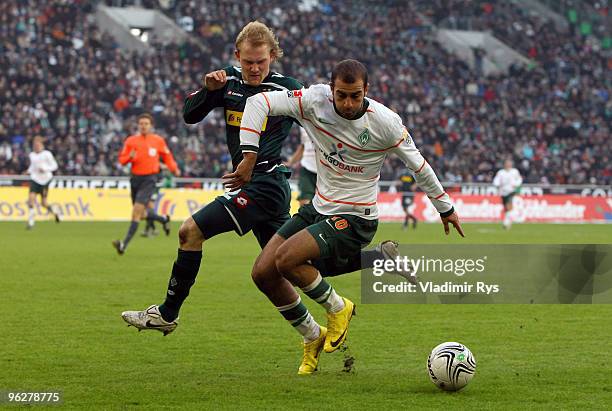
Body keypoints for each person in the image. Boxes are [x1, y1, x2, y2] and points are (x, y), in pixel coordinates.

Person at [120, 24, 405, 338]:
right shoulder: (226, 82)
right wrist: (207, 91)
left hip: (265, 184)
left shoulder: (287, 89)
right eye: (248, 62)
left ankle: (166, 313)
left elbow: (332, 116)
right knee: (286, 269)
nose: (254, 68)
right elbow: (189, 115)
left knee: (190, 231)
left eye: (261, 62)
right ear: (237, 56)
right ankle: (321, 327)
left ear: (273, 56)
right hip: (257, 188)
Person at [224, 59, 465, 374]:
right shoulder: (313, 101)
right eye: (341, 95)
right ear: (331, 90)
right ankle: (312, 335)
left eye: (355, 95)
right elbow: (258, 102)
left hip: (357, 217)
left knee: (287, 261)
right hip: (319, 208)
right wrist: (249, 157)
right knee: (263, 273)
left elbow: (417, 164)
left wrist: (444, 206)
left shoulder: (386, 122)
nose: (348, 103)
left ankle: (339, 307)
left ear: (366, 90)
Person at [112, 113, 179, 254]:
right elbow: (122, 160)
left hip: (150, 179)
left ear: (151, 126)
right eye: (141, 123)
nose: (143, 126)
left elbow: (167, 156)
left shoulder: (158, 141)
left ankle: (123, 245)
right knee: (141, 215)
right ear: (138, 125)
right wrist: (129, 158)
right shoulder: (131, 141)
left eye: (146, 124)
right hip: (135, 179)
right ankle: (163, 220)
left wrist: (174, 168)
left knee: (136, 213)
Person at [26, 136, 61, 229]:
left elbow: (55, 166)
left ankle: (55, 213)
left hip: (45, 180)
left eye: (38, 144)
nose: (36, 146)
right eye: (34, 144)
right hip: (35, 179)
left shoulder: (47, 154)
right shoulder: (32, 155)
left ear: (41, 145)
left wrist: (45, 169)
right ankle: (31, 222)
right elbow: (32, 167)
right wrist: (28, 171)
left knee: (44, 203)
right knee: (31, 200)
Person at [286, 128, 317, 206]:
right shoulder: (302, 126)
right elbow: (303, 146)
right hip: (307, 168)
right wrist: (290, 163)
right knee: (304, 200)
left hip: (325, 170)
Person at [493, 159, 522, 229]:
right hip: (503, 192)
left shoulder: (515, 171)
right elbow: (496, 180)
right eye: (507, 163)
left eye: (509, 163)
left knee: (509, 206)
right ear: (504, 164)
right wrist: (496, 184)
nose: (508, 165)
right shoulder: (501, 172)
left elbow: (519, 179)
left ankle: (506, 223)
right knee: (506, 208)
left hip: (511, 191)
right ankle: (508, 222)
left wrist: (516, 184)